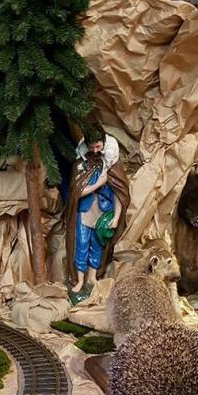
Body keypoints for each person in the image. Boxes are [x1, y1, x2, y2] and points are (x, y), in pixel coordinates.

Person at [65, 124, 130, 302]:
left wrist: (116, 217)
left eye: (98, 147)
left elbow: (119, 193)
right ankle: (79, 280)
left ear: (104, 144)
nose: (95, 151)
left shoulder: (111, 163)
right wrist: (98, 184)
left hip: (103, 213)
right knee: (81, 244)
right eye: (91, 147)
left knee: (97, 245)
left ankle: (92, 277)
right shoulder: (81, 164)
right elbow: (76, 192)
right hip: (85, 212)